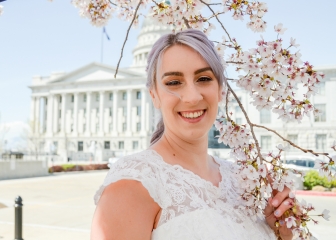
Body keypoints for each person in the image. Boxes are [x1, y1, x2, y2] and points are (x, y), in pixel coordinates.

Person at [91, 29, 294, 240]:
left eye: (204, 78)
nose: (192, 97)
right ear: (155, 96)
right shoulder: (133, 185)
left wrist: (280, 234)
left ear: (220, 91)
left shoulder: (240, 180)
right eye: (173, 82)